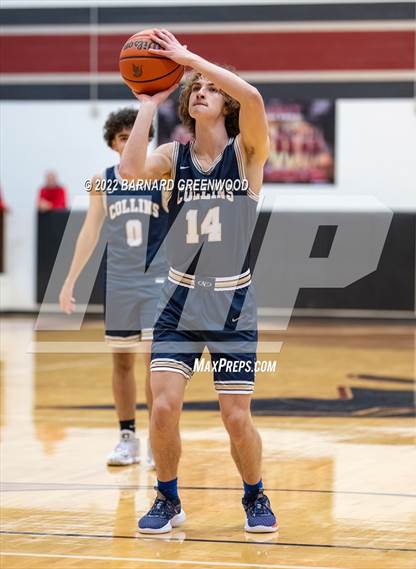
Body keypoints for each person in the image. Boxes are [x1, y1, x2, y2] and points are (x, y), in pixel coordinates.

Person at [119, 29, 278, 533]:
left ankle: (254, 494)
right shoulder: (173, 156)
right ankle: (167, 498)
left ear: (224, 104)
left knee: (235, 416)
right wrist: (149, 102)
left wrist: (189, 60)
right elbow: (128, 171)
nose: (200, 92)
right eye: (195, 90)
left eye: (209, 89)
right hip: (178, 299)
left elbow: (251, 96)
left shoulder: (248, 153)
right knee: (163, 407)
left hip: (232, 301)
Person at [59, 108, 168, 467]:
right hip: (119, 282)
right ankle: (127, 438)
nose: (130, 142)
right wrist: (70, 279)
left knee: (156, 361)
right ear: (112, 143)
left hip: (155, 281)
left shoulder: (162, 176)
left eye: (136, 134)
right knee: (121, 361)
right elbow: (89, 233)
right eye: (123, 137)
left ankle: (157, 439)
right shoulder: (101, 182)